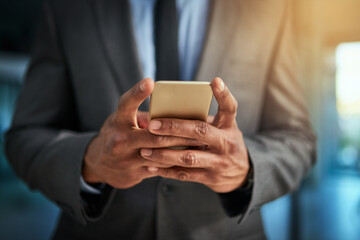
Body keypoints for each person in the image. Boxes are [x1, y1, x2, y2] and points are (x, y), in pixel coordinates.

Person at [5, 0, 316, 239]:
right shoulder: (68, 7)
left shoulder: (267, 8)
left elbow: (298, 139)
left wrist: (247, 167)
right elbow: (24, 136)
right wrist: (91, 162)